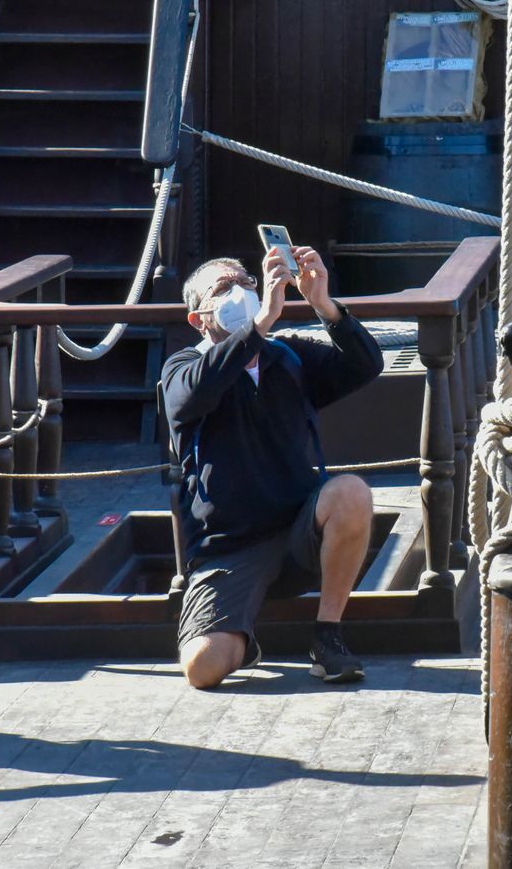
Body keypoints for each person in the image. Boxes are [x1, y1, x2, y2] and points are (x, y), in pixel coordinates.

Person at [163, 245, 382, 687]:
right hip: (230, 545)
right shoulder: (181, 368)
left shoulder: (288, 357)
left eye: (246, 281)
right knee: (203, 669)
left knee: (352, 492)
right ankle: (242, 641)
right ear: (198, 317)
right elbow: (195, 394)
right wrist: (260, 323)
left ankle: (327, 636)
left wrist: (324, 304)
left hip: (300, 531)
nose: (241, 292)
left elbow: (364, 366)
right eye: (224, 288)